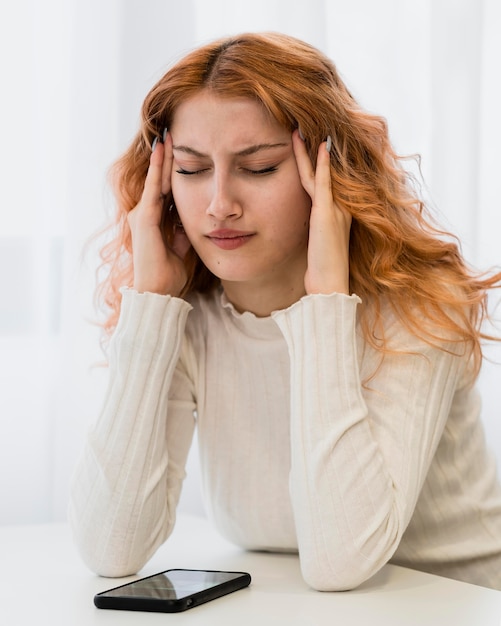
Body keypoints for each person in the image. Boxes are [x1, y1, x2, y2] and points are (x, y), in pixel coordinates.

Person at [68, 31, 501, 591]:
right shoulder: (190, 316)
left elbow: (341, 562)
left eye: (261, 167)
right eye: (193, 170)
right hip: (293, 609)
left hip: (451, 608)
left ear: (329, 176)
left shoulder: (415, 306)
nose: (220, 204)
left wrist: (325, 301)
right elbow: (110, 548)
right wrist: (150, 305)